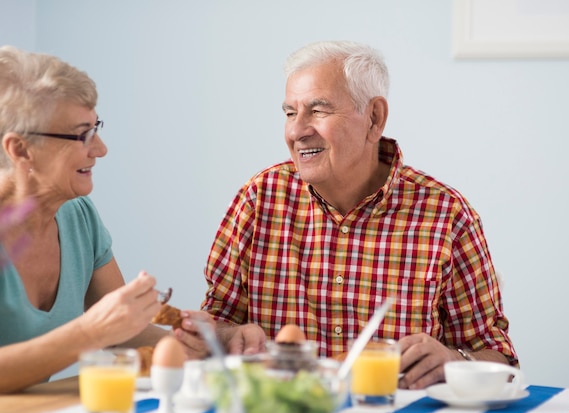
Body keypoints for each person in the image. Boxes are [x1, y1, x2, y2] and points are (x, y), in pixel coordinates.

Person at [201, 40, 519, 390]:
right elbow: (214, 322)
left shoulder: (446, 216)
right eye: (290, 113)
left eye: (318, 111)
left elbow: (499, 360)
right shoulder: (259, 199)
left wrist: (455, 361)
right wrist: (231, 336)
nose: (296, 131)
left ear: (374, 118)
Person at [0, 46, 210, 393]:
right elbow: (99, 329)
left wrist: (188, 344)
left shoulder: (78, 216)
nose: (100, 148)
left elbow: (122, 329)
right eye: (82, 134)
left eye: (95, 127)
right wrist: (88, 333)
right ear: (21, 149)